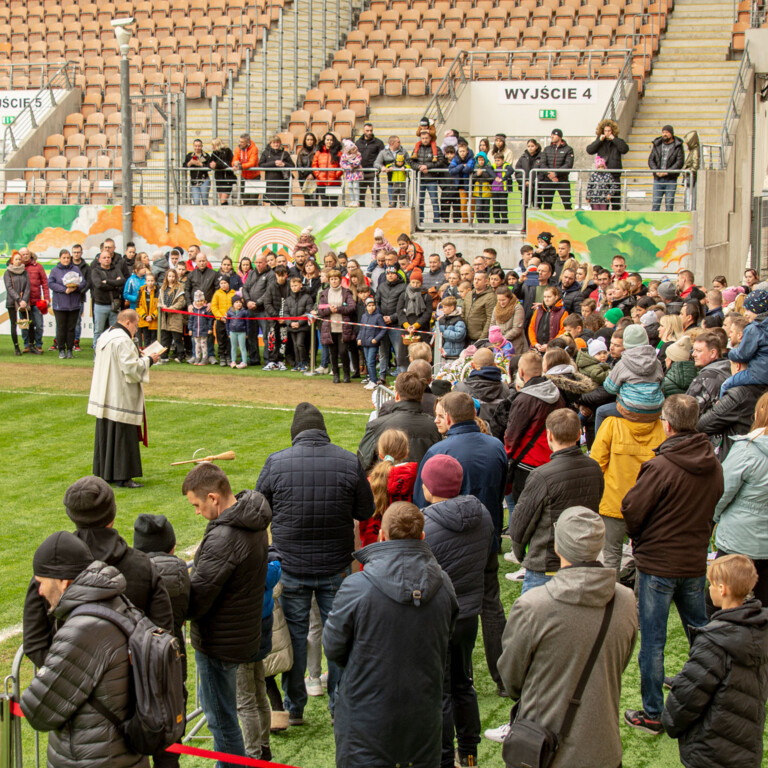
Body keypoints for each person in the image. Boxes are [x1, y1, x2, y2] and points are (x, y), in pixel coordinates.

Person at [256, 403, 374, 726]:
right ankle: (338, 704)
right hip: (333, 567)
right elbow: (366, 510)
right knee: (338, 635)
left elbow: (258, 509)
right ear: (322, 429)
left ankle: (295, 707)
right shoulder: (349, 461)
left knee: (295, 637)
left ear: (296, 432)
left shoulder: (276, 463)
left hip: (296, 566)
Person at [495, 507, 638, 764]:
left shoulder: (532, 606)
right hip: (603, 748)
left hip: (544, 749)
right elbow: (620, 661)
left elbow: (512, 678)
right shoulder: (626, 600)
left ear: (558, 546)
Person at [323, 502, 457, 768]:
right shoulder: (443, 584)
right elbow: (334, 647)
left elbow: (333, 646)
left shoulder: (358, 587)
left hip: (370, 717)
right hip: (416, 715)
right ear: (421, 537)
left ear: (382, 536)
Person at [622, 394, 724, 734]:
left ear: (667, 424)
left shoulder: (661, 466)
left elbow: (632, 510)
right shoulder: (713, 463)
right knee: (701, 634)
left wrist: (641, 537)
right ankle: (708, 699)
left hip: (661, 565)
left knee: (653, 642)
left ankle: (653, 713)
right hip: (692, 561)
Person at [20, 532, 149, 768]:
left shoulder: (82, 631)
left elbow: (36, 709)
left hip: (94, 758)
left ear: (63, 582)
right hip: (124, 755)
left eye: (41, 582)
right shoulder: (117, 602)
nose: (39, 591)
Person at [414, 391, 509, 696]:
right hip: (486, 538)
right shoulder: (495, 447)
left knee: (447, 607)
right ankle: (502, 676)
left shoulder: (439, 452)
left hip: (447, 543)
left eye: (441, 415)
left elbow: (421, 500)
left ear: (451, 418)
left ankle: (446, 677)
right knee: (490, 606)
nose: (437, 420)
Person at [184, 463, 271, 765]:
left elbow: (197, 599)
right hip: (241, 634)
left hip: (219, 642)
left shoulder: (225, 538)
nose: (196, 512)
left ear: (213, 498)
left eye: (196, 505)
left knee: (222, 723)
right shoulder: (253, 519)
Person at [420, 455, 494, 768]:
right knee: (463, 682)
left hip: (438, 617)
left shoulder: (425, 523)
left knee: (441, 690)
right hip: (468, 615)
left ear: (429, 487)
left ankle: (446, 758)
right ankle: (470, 753)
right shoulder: (484, 514)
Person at [662, 554, 768, 768]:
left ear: (722, 589)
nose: (708, 589)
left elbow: (688, 695)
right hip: (746, 745)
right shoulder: (760, 631)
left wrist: (670, 721)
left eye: (711, 584)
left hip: (711, 750)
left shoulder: (714, 642)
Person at [509, 408, 604, 592]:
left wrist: (523, 556)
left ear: (549, 435)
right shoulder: (594, 468)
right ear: (579, 434)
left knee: (535, 619)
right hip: (580, 559)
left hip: (548, 565)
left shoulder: (542, 476)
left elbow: (520, 526)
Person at [132, 514, 191, 768]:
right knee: (169, 750)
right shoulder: (180, 569)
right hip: (173, 665)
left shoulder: (129, 575)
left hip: (138, 669)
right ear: (172, 545)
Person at [87, 309, 160, 487]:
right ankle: (122, 476)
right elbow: (131, 368)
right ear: (128, 322)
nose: (136, 329)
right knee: (122, 435)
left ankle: (106, 472)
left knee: (107, 433)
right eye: (135, 325)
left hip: (106, 392)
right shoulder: (122, 340)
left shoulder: (106, 335)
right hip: (119, 394)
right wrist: (150, 360)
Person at [711, 392, 768, 603]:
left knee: (723, 602)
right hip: (750, 537)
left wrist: (713, 517)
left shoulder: (747, 449)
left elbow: (721, 491)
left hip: (739, 541)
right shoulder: (747, 448)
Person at [358, 371, 441, 471]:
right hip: (419, 484)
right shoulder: (435, 426)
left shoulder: (376, 426)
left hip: (392, 484)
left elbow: (362, 464)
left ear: (396, 396)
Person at [317, 268, 357, 383]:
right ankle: (335, 374)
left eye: (336, 279)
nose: (334, 281)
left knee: (343, 351)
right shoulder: (323, 294)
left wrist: (338, 309)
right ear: (329, 280)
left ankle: (346, 374)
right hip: (329, 328)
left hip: (343, 328)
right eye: (332, 279)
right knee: (332, 352)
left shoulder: (346, 292)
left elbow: (351, 307)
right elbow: (320, 311)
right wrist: (329, 310)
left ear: (340, 280)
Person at [49, 248, 86, 359]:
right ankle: (61, 350)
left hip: (74, 304)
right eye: (64, 258)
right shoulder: (55, 270)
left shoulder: (76, 269)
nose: (66, 260)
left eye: (67, 258)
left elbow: (83, 281)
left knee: (71, 328)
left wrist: (75, 287)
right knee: (61, 327)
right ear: (60, 258)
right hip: (60, 305)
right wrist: (64, 290)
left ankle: (69, 350)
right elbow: (50, 283)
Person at [586, 119, 628, 210]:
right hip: (602, 177)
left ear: (613, 131)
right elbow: (589, 150)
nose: (607, 133)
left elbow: (624, 149)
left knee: (616, 204)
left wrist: (614, 139)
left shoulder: (618, 141)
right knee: (603, 204)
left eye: (609, 131)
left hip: (614, 175)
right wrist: (599, 141)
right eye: (605, 131)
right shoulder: (600, 142)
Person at [91, 247, 126, 350]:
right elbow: (98, 285)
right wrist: (114, 284)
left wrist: (107, 281)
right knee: (98, 330)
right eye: (104, 257)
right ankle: (96, 353)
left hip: (114, 305)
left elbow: (122, 281)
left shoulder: (116, 269)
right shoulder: (95, 271)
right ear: (100, 259)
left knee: (115, 331)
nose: (107, 259)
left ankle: (113, 353)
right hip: (100, 305)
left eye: (108, 257)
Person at [241, 253, 273, 366]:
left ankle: (267, 360)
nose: (258, 265)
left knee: (266, 336)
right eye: (256, 262)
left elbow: (269, 292)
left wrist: (257, 303)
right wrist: (248, 301)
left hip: (263, 310)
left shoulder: (271, 274)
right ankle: (254, 359)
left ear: (266, 263)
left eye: (260, 262)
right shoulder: (252, 273)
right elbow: (244, 288)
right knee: (251, 335)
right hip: (250, 309)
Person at [411, 128, 446, 224]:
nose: (425, 140)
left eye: (426, 138)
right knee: (420, 202)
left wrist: (428, 167)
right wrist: (419, 167)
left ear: (430, 138)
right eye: (423, 138)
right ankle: (420, 221)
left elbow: (440, 161)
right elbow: (411, 162)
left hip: (432, 179)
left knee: (434, 201)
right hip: (420, 179)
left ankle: (436, 221)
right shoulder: (416, 149)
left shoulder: (436, 149)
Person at [649, 124, 685, 211]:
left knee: (669, 204)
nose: (664, 134)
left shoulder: (678, 146)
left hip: (671, 179)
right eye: (663, 132)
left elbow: (679, 162)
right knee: (655, 203)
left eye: (667, 132)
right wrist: (656, 171)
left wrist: (668, 172)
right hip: (658, 178)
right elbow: (651, 160)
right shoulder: (657, 144)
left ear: (671, 134)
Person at [536, 128, 574, 210]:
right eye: (551, 134)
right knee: (547, 204)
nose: (552, 136)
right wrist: (550, 175)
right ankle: (546, 222)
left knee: (567, 203)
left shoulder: (568, 149)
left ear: (559, 136)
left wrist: (556, 173)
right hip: (548, 180)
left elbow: (568, 165)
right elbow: (542, 164)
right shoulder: (547, 149)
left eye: (554, 134)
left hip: (562, 180)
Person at [4, 250, 30, 355]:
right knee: (13, 324)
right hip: (12, 302)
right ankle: (16, 347)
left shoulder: (25, 272)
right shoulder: (8, 273)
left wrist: (24, 300)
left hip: (23, 302)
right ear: (12, 261)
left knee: (25, 324)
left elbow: (28, 287)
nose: (18, 261)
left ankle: (28, 345)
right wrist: (18, 300)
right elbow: (9, 288)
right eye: (16, 259)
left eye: (20, 259)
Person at [158, 268, 186, 363]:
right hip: (164, 317)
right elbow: (158, 302)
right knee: (165, 338)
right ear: (167, 277)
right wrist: (161, 306)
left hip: (175, 316)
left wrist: (170, 309)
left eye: (173, 276)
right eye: (169, 276)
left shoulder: (179, 288)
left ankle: (181, 355)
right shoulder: (162, 289)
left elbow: (181, 302)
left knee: (177, 337)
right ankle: (164, 356)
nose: (171, 278)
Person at [260, 135, 295, 206]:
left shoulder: (285, 154)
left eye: (277, 142)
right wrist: (274, 163)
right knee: (272, 204)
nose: (276, 144)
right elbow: (261, 165)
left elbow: (292, 166)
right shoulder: (265, 153)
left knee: (282, 204)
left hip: (282, 183)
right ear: (270, 144)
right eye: (274, 142)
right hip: (271, 183)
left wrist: (284, 164)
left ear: (280, 143)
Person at [355, 122, 385, 206]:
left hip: (373, 173)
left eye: (371, 131)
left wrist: (378, 170)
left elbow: (382, 158)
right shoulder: (358, 143)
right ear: (363, 131)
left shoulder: (379, 143)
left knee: (376, 198)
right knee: (360, 199)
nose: (369, 133)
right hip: (361, 173)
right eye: (367, 131)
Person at [312, 132, 343, 206]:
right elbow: (314, 165)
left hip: (334, 182)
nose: (329, 142)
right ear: (324, 141)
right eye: (327, 140)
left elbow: (342, 165)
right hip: (322, 182)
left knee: (334, 203)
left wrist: (337, 174)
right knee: (324, 203)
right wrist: (318, 175)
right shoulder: (318, 153)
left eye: (331, 140)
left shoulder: (338, 153)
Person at [233, 132, 260, 204]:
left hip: (254, 177)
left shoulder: (254, 149)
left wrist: (241, 167)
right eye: (239, 141)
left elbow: (252, 163)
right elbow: (235, 159)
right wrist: (235, 164)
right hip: (244, 177)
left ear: (247, 142)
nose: (240, 143)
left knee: (253, 200)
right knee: (245, 200)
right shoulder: (237, 148)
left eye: (242, 142)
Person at [209, 137, 237, 205]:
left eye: (213, 145)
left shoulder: (227, 151)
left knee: (223, 200)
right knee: (221, 198)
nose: (212, 147)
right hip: (219, 178)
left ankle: (226, 213)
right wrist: (211, 165)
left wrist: (216, 165)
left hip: (227, 178)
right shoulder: (214, 153)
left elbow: (228, 163)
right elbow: (210, 161)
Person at [184, 138, 211, 204]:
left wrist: (201, 164)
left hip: (204, 180)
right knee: (196, 201)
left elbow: (209, 167)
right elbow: (184, 166)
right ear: (193, 146)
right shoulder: (189, 155)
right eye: (196, 146)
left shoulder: (206, 156)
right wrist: (190, 163)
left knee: (205, 200)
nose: (197, 148)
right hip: (194, 181)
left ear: (202, 146)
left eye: (199, 146)